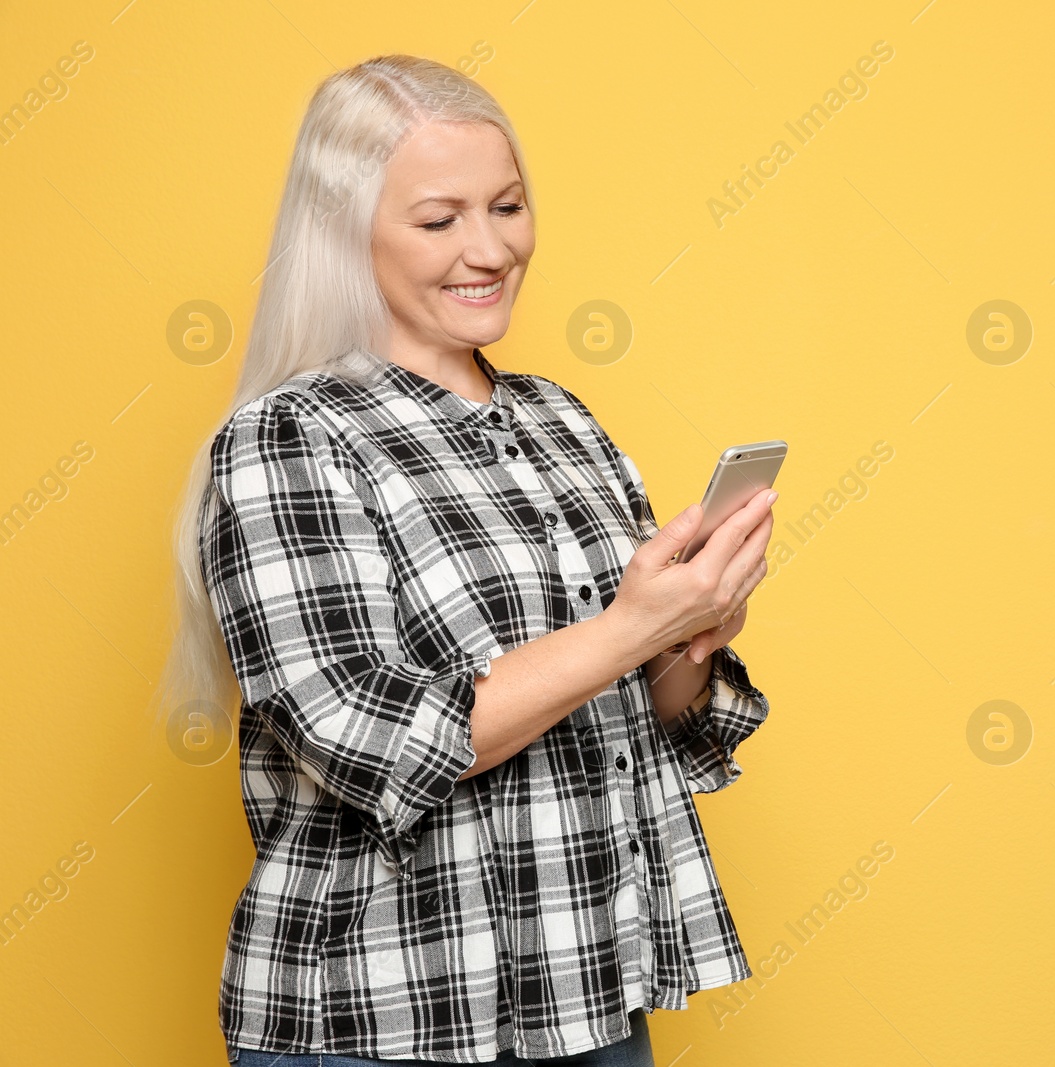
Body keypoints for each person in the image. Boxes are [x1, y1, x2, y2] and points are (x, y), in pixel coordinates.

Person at [154, 54, 776, 1065]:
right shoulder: (286, 440)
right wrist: (628, 626)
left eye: (508, 206)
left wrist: (690, 631)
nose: (489, 248)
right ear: (344, 232)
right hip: (382, 1017)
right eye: (439, 220)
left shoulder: (564, 421)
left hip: (588, 998)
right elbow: (365, 735)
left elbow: (646, 717)